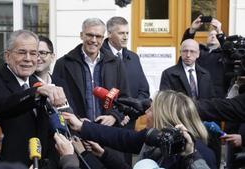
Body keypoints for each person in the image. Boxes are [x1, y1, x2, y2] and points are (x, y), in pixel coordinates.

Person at [62, 90, 217, 169]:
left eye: (150, 110)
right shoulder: (157, 138)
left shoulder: (200, 155)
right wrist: (82, 126)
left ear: (164, 116)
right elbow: (122, 138)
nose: (146, 113)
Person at [0, 30, 67, 168]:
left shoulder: (37, 82)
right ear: (7, 56)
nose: (28, 58)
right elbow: (2, 107)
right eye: (22, 52)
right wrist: (35, 92)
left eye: (33, 53)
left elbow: (48, 129)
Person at [52, 18, 130, 126]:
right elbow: (58, 101)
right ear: (81, 35)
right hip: (76, 130)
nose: (93, 40)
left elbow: (125, 98)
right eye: (89, 35)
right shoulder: (63, 64)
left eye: (98, 36)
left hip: (108, 132)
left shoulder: (116, 63)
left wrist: (114, 116)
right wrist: (76, 119)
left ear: (103, 38)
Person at [102, 16, 150, 165]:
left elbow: (144, 91)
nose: (125, 37)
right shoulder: (99, 57)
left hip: (129, 124)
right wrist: (118, 114)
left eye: (127, 33)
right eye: (121, 33)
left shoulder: (133, 58)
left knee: (125, 163)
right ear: (109, 34)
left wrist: (129, 112)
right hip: (106, 124)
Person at [181, 15, 229, 98]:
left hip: (216, 96)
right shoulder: (199, 52)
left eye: (216, 35)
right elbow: (186, 46)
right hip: (197, 93)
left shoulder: (223, 53)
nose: (213, 36)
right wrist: (192, 30)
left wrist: (220, 32)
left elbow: (229, 54)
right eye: (210, 35)